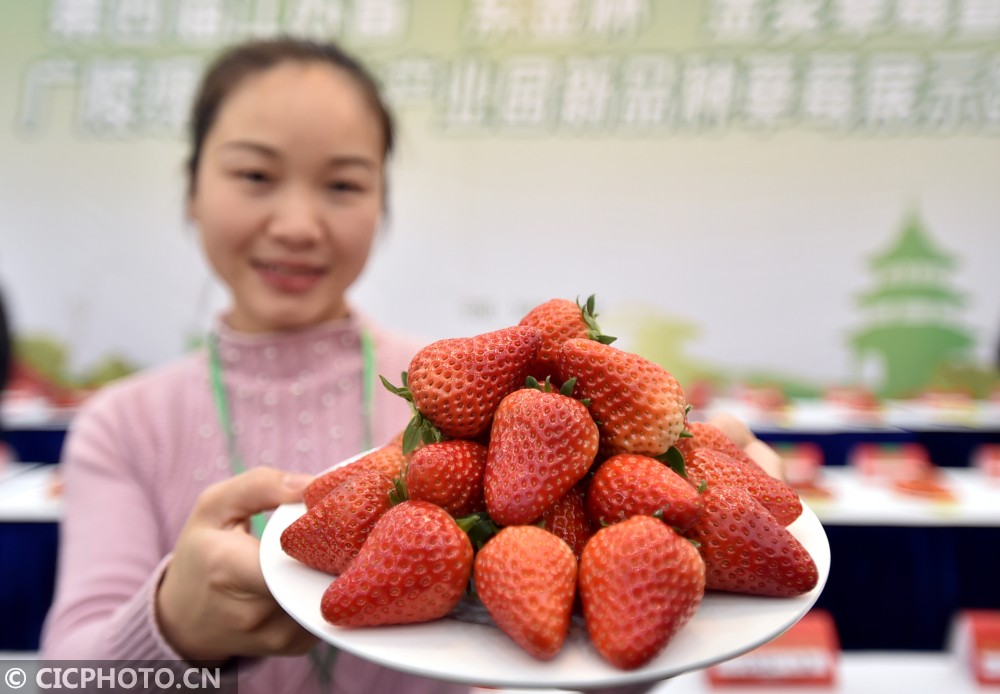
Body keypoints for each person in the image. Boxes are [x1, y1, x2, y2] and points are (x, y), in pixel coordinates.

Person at [39, 36, 782, 694]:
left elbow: (576, 630)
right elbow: (59, 679)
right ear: (191, 187)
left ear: (382, 203)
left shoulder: (471, 400)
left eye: (343, 184)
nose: (297, 225)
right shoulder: (122, 426)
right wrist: (174, 626)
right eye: (256, 176)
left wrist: (693, 528)